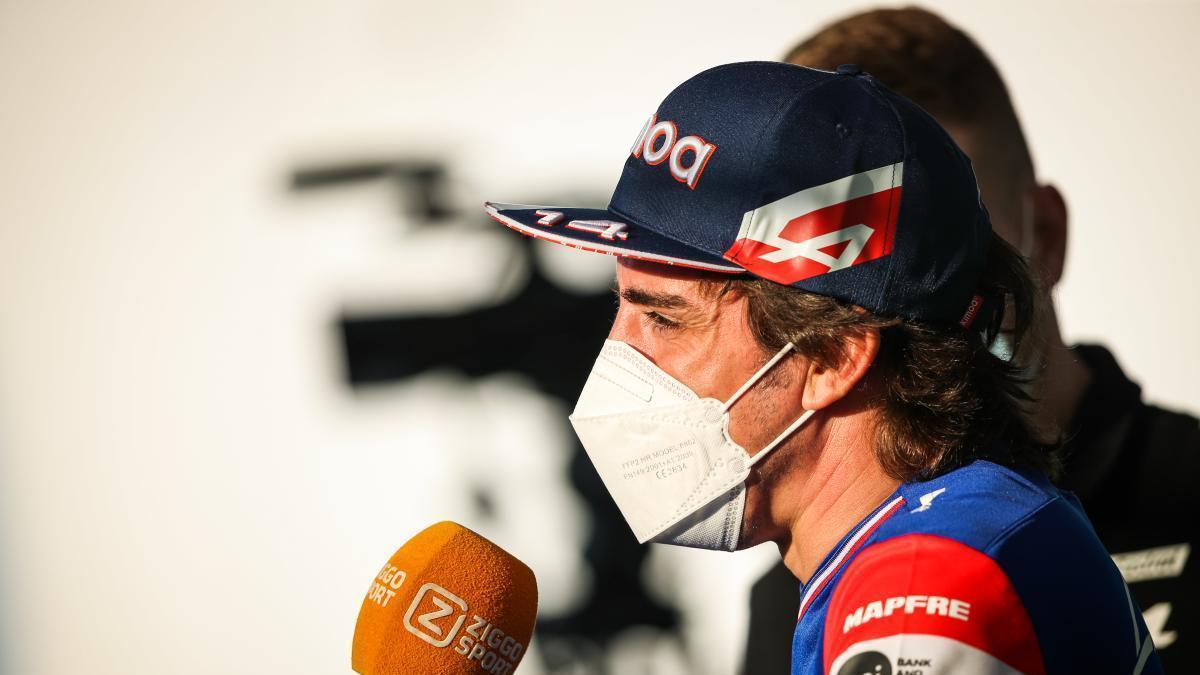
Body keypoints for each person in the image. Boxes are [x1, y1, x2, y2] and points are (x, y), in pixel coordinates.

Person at [485, 61, 1162, 673]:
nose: (620, 352)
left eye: (663, 317)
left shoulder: (924, 589)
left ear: (833, 356)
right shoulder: (930, 536)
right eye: (621, 308)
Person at [743, 8, 1200, 674]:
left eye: (939, 247)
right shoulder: (797, 579)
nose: (893, 306)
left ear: (1044, 235)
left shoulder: (1187, 495)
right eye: (842, 263)